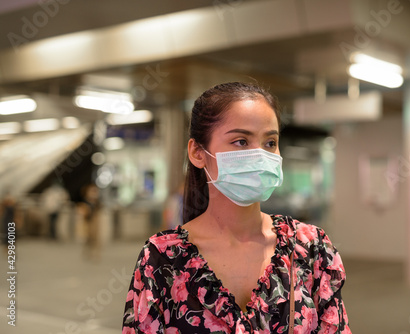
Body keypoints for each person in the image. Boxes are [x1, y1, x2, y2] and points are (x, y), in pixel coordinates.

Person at [122, 82, 350, 333]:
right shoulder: (161, 258)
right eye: (241, 141)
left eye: (270, 142)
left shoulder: (311, 248)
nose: (260, 156)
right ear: (198, 152)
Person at [77, 183, 102, 261]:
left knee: (95, 240)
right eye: (92, 191)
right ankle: (86, 253)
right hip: (86, 224)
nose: (94, 194)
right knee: (86, 239)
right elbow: (82, 214)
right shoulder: (84, 203)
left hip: (95, 223)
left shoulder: (97, 203)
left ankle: (94, 254)